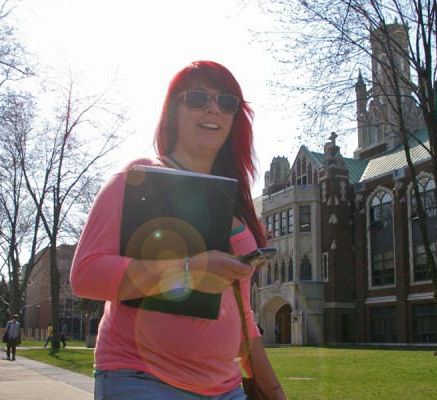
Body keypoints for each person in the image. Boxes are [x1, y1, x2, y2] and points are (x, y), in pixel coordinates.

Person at [71, 61, 286, 399]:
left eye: (225, 101)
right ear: (172, 110)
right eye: (198, 97)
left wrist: (272, 389)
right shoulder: (137, 180)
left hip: (227, 388)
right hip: (142, 379)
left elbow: (240, 313)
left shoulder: (236, 204)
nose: (213, 107)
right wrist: (189, 271)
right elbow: (86, 274)